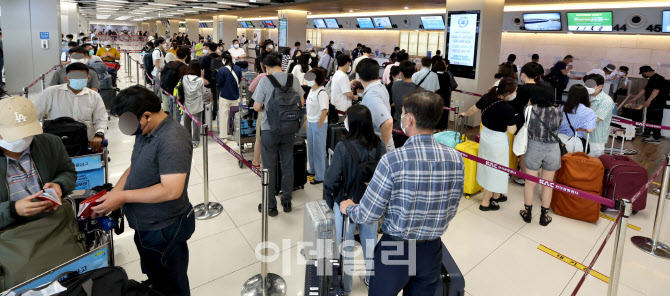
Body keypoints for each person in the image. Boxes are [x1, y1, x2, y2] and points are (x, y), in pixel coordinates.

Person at [339, 91, 464, 296]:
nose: (401, 118)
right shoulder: (456, 158)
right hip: (431, 250)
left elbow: (368, 214)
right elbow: (452, 207)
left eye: (403, 114)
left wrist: (349, 208)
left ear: (411, 119)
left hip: (396, 250)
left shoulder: (393, 160)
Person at [93, 85, 195, 296]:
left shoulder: (172, 139)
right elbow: (135, 165)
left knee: (172, 285)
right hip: (145, 224)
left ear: (147, 115)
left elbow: (171, 190)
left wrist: (123, 196)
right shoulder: (147, 129)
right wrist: (114, 194)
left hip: (164, 228)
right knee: (156, 276)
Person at [0, 96, 81, 287]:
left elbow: (68, 171)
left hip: (54, 224)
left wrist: (60, 185)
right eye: (13, 134)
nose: (22, 140)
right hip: (9, 238)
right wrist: (12, 210)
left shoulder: (49, 143)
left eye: (27, 133)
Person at [325, 104, 385, 293]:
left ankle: (347, 285)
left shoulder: (342, 147)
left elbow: (331, 179)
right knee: (370, 241)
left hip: (346, 203)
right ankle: (371, 278)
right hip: (371, 203)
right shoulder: (379, 145)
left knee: (346, 244)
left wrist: (331, 201)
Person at [252, 53, 305, 216]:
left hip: (270, 130)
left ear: (266, 67)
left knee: (268, 167)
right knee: (287, 165)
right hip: (289, 130)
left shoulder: (265, 81)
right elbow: (301, 102)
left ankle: (271, 206)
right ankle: (287, 202)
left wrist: (265, 109)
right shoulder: (292, 79)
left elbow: (256, 106)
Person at [460, 77, 517, 211]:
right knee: (495, 169)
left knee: (488, 166)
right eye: (515, 91)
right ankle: (486, 201)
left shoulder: (487, 97)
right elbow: (512, 130)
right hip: (498, 141)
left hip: (486, 135)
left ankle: (496, 195)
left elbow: (473, 110)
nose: (515, 94)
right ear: (508, 93)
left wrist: (464, 113)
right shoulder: (507, 108)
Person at [518, 80, 562, 227]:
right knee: (547, 184)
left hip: (534, 148)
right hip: (553, 149)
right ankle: (544, 216)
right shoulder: (558, 112)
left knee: (530, 183)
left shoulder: (529, 110)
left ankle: (527, 213)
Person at [35, 63, 107, 152]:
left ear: (88, 79)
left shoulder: (94, 96)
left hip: (86, 143)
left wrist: (99, 135)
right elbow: (34, 116)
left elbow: (101, 119)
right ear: (67, 79)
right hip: (57, 143)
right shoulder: (51, 93)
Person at [510, 63, 553, 185]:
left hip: (524, 122)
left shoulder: (523, 89)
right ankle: (533, 174)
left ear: (523, 74)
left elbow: (517, 106)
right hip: (540, 124)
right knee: (533, 150)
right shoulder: (544, 87)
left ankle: (526, 177)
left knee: (523, 150)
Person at [357, 58, 394, 151]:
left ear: (359, 76)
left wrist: (383, 148)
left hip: (378, 147)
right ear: (378, 74)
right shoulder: (380, 87)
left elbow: (388, 122)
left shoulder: (372, 95)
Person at [629, 66, 668, 144]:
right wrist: (635, 99)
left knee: (656, 121)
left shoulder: (658, 78)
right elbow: (644, 90)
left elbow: (656, 91)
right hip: (652, 104)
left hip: (657, 104)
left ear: (647, 72)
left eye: (643, 73)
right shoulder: (652, 79)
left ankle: (656, 138)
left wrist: (649, 100)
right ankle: (646, 134)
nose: (643, 75)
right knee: (649, 119)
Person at [305, 68, 330, 185]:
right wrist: (307, 121)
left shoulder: (322, 92)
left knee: (319, 150)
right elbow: (309, 107)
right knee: (311, 147)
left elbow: (324, 110)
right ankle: (312, 169)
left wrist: (319, 125)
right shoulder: (311, 90)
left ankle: (320, 175)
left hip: (318, 124)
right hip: (310, 123)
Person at [392, 61, 423, 147]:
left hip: (398, 124)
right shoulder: (420, 90)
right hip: (413, 127)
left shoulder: (395, 85)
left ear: (401, 73)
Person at [558, 85, 597, 153]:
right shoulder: (589, 112)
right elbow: (589, 129)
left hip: (558, 141)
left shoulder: (562, 108)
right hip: (574, 143)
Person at [584, 74, 615, 156]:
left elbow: (597, 119)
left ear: (600, 86)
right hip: (582, 135)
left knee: (593, 165)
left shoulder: (606, 100)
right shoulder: (586, 97)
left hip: (595, 138)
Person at [216, 51, 242, 140]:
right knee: (235, 117)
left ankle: (224, 136)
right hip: (236, 96)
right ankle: (234, 134)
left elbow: (219, 82)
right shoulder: (238, 68)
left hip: (224, 95)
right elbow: (239, 80)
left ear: (223, 59)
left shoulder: (222, 70)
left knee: (224, 116)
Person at [181, 61, 207, 148]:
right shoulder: (200, 80)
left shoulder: (184, 78)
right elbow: (203, 92)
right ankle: (195, 141)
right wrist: (202, 76)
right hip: (197, 105)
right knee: (196, 124)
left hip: (186, 104)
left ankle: (187, 139)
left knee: (186, 123)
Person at [160, 47, 190, 117]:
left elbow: (161, 73)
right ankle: (175, 126)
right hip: (178, 92)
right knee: (178, 112)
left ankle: (172, 122)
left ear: (176, 55)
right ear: (186, 57)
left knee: (172, 108)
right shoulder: (186, 68)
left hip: (169, 90)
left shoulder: (170, 64)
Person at [434, 60, 458, 131]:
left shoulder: (434, 75)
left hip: (436, 97)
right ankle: (442, 129)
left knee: (436, 113)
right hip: (445, 97)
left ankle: (437, 129)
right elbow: (453, 85)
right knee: (444, 114)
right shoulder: (446, 75)